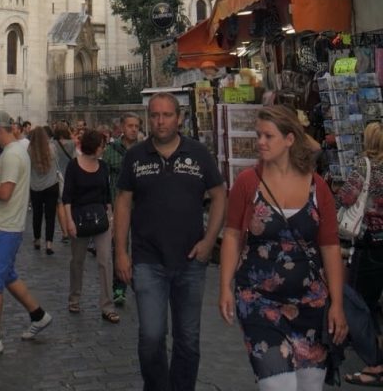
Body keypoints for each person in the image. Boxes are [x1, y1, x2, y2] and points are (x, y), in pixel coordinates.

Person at [219, 104, 347, 391]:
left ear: (289, 140)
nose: (260, 142)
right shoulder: (247, 183)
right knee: (279, 385)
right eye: (258, 135)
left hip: (310, 302)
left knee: (308, 386)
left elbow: (329, 247)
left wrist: (337, 303)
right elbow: (231, 236)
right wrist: (225, 286)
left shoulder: (317, 187)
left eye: (268, 136)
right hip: (258, 300)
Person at [114, 92, 226, 391]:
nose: (160, 121)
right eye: (154, 115)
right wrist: (120, 253)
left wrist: (209, 240)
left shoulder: (198, 153)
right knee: (151, 336)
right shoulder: (135, 155)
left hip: (191, 260)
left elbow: (218, 195)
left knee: (187, 338)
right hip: (148, 259)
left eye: (166, 115)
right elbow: (123, 203)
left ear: (179, 118)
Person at [0, 108, 52, 354]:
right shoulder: (19, 150)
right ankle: (38, 314)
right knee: (7, 275)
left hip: (3, 225)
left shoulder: (10, 155)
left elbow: (5, 193)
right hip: (11, 224)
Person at [336, 120, 383, 387]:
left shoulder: (365, 166)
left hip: (369, 243)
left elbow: (347, 197)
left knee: (359, 302)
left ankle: (374, 362)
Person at [63, 127, 119, 322]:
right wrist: (68, 221)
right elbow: (67, 197)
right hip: (78, 218)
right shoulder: (73, 166)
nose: (104, 149)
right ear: (94, 147)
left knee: (105, 261)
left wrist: (111, 219)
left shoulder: (103, 167)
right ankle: (74, 298)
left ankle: (107, 305)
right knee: (77, 261)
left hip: (100, 218)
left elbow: (107, 196)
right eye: (102, 146)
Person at [103, 111, 141, 304]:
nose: (133, 130)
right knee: (120, 245)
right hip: (119, 206)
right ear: (122, 128)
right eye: (130, 126)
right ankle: (119, 287)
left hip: (142, 205)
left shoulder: (144, 150)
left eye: (136, 126)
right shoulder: (112, 150)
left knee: (141, 244)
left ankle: (141, 282)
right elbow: (103, 177)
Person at [28, 125, 60, 254]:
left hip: (35, 186)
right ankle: (49, 244)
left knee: (37, 215)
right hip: (52, 185)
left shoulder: (29, 150)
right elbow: (56, 163)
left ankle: (37, 240)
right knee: (50, 216)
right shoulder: (52, 148)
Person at [54, 121, 76, 242]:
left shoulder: (52, 144)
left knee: (60, 204)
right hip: (70, 175)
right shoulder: (72, 143)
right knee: (71, 202)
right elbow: (74, 158)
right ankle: (72, 224)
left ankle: (64, 232)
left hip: (57, 176)